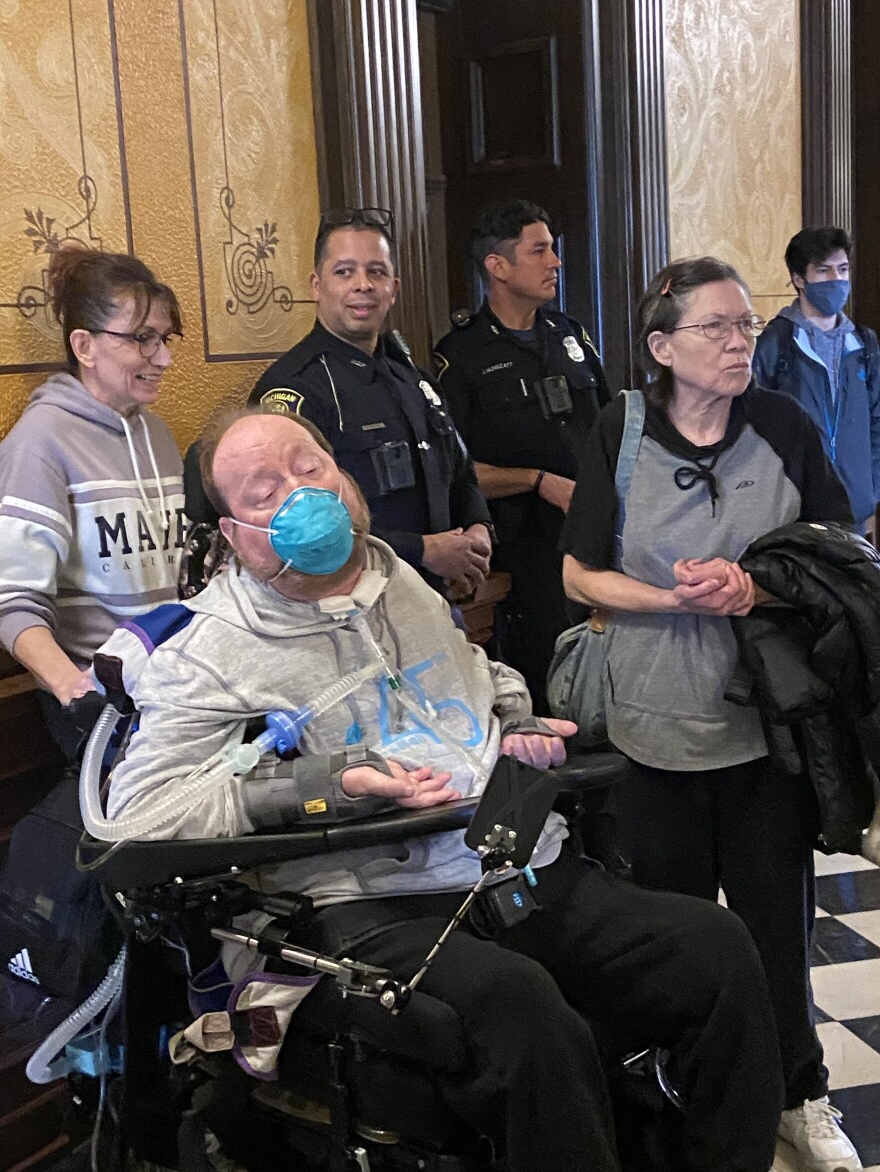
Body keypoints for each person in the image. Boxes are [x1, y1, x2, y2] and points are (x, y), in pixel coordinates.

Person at [103, 406, 786, 1172]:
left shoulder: (404, 585)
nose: (300, 496)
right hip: (364, 902)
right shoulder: (207, 650)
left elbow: (475, 677)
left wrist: (518, 719)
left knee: (718, 950)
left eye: (309, 469)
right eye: (263, 492)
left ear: (345, 480)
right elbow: (140, 813)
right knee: (524, 1011)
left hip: (507, 864)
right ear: (233, 535)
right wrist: (330, 784)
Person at [561, 256, 861, 1172]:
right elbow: (577, 573)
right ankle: (683, 1097)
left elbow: (842, 551)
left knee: (777, 925)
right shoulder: (619, 429)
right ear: (664, 346)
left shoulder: (783, 424)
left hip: (767, 728)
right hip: (651, 728)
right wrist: (672, 599)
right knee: (674, 933)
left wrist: (753, 584)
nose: (740, 343)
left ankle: (799, 1094)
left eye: (744, 325)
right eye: (717, 329)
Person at [240, 206, 492, 597]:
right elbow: (292, 524)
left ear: (394, 287)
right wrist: (422, 550)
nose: (363, 284)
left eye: (376, 271)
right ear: (316, 286)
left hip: (434, 599)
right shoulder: (297, 386)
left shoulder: (412, 377)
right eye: (344, 272)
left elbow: (460, 472)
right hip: (348, 604)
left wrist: (478, 530)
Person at [0, 247, 186, 760]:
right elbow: (13, 602)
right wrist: (75, 690)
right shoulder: (39, 443)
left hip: (174, 689)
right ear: (85, 345)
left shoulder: (159, 436)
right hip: (101, 705)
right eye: (142, 339)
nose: (164, 358)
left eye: (165, 339)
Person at [433, 200, 609, 709]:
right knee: (548, 675)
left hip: (593, 535)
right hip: (523, 549)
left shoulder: (572, 336)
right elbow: (453, 472)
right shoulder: (461, 355)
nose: (555, 261)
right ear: (498, 266)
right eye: (539, 251)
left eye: (552, 249)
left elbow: (610, 428)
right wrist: (537, 480)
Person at [753, 226, 880, 535]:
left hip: (855, 510)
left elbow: (877, 421)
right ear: (799, 279)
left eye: (843, 269)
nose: (836, 280)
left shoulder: (864, 344)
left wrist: (871, 490)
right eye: (823, 271)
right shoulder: (776, 342)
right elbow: (752, 423)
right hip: (793, 510)